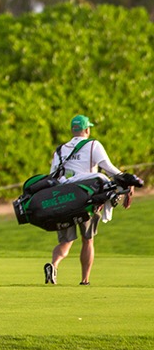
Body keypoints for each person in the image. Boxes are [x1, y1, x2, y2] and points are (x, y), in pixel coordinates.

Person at [43, 114, 127, 286]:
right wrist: (127, 181)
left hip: (65, 199)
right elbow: (109, 169)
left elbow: (52, 177)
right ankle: (84, 280)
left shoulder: (60, 150)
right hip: (88, 199)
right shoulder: (93, 145)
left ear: (72, 130)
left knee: (66, 241)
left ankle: (53, 264)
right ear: (87, 129)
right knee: (87, 239)